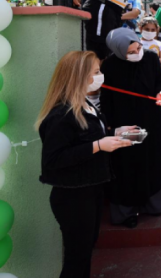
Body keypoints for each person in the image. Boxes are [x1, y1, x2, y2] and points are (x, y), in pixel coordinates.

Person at [36, 51, 135, 277]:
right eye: (96, 72)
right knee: (76, 258)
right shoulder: (61, 114)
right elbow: (53, 160)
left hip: (91, 189)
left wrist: (115, 133)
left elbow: (87, 136)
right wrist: (99, 145)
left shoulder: (87, 105)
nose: (101, 76)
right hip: (73, 196)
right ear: (78, 76)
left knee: (85, 252)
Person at [100, 27, 161, 228]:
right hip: (125, 124)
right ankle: (125, 212)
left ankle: (152, 205)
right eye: (130, 52)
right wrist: (111, 126)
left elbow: (159, 81)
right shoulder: (110, 66)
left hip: (151, 120)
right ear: (119, 51)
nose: (136, 53)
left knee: (151, 161)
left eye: (138, 48)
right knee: (127, 165)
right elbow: (106, 99)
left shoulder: (150, 58)